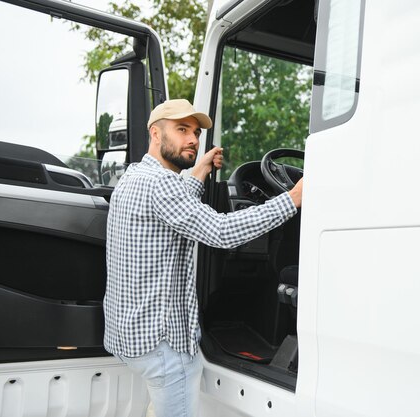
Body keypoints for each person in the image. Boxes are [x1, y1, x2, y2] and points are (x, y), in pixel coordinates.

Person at [103, 99, 303, 417]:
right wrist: (292, 199)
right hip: (164, 347)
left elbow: (176, 208)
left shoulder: (134, 177)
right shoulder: (162, 186)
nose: (193, 139)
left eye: (195, 132)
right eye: (181, 129)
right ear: (155, 133)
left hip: (131, 337)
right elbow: (221, 231)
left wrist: (199, 170)